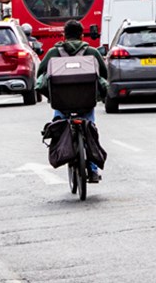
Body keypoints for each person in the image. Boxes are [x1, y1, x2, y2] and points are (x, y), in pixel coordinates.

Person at [34, 20, 107, 182]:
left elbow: (41, 74)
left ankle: (62, 150)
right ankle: (93, 170)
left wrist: (51, 96)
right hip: (87, 102)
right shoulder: (92, 52)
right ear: (82, 35)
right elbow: (104, 75)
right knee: (91, 130)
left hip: (61, 102)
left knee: (58, 123)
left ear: (64, 35)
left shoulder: (53, 53)